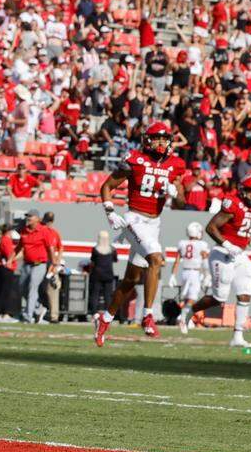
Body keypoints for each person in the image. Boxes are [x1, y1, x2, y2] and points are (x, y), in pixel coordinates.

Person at [94, 122, 187, 345]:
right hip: (134, 218)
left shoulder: (175, 164)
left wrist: (175, 193)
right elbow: (107, 186)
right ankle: (148, 316)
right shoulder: (135, 159)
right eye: (157, 138)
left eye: (165, 139)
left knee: (130, 281)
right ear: (147, 140)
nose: (161, 143)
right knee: (156, 259)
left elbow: (182, 203)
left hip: (155, 223)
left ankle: (104, 319)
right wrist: (110, 211)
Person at [180, 174, 251, 348]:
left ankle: (238, 336)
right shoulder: (233, 204)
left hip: (240, 253)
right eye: (250, 192)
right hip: (222, 252)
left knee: (245, 292)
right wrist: (227, 244)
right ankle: (190, 310)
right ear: (243, 191)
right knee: (219, 297)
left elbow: (244, 232)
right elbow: (211, 227)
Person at [13, 209, 53, 323]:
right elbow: (19, 247)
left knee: (32, 287)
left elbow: (51, 248)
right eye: (27, 216)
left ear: (37, 218)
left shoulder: (44, 231)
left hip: (39, 264)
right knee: (21, 287)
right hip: (27, 264)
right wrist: (11, 258)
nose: (28, 218)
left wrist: (54, 263)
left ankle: (28, 315)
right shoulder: (24, 231)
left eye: (30, 216)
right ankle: (38, 307)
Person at [172, 222, 209, 331]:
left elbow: (177, 261)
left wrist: (173, 275)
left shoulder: (182, 243)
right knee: (193, 297)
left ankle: (185, 317)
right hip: (195, 273)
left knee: (186, 297)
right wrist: (207, 275)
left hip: (185, 272)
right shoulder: (202, 244)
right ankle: (184, 317)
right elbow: (205, 260)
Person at [87, 230, 117, 316]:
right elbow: (115, 259)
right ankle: (108, 313)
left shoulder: (95, 249)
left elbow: (92, 261)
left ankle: (94, 312)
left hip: (97, 274)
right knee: (108, 295)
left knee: (95, 294)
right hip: (108, 274)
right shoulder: (112, 249)